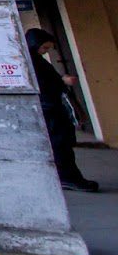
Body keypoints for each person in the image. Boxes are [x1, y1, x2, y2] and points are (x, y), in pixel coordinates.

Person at [27, 28, 98, 192]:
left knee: (61, 145)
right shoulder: (33, 62)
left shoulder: (34, 60)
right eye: (44, 48)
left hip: (50, 107)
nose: (45, 52)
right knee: (60, 145)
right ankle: (68, 178)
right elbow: (43, 84)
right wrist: (62, 81)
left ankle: (67, 177)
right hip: (50, 108)